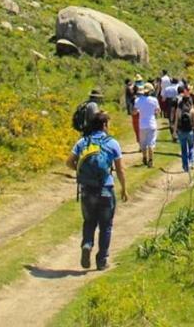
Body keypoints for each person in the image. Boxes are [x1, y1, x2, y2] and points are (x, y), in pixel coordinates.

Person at [66, 112, 128, 270]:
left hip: (87, 189)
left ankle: (87, 244)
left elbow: (69, 162)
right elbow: (120, 170)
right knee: (106, 226)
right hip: (105, 188)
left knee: (89, 222)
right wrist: (124, 189)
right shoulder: (112, 143)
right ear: (105, 125)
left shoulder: (82, 142)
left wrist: (79, 170)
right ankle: (102, 260)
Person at [132, 82, 160, 167]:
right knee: (151, 143)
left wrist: (139, 111)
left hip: (142, 124)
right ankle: (151, 160)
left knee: (143, 143)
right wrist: (153, 112)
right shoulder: (154, 100)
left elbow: (134, 112)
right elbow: (158, 111)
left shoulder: (138, 100)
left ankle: (144, 157)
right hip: (151, 123)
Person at [174, 95, 194, 173]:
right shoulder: (192, 110)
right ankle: (191, 162)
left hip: (181, 131)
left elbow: (176, 122)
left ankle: (185, 166)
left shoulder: (178, 110)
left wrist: (174, 132)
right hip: (190, 131)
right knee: (191, 147)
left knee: (183, 149)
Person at [124, 75, 141, 143]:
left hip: (133, 110)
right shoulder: (138, 97)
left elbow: (128, 100)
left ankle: (140, 142)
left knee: (136, 127)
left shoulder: (128, 88)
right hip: (137, 110)